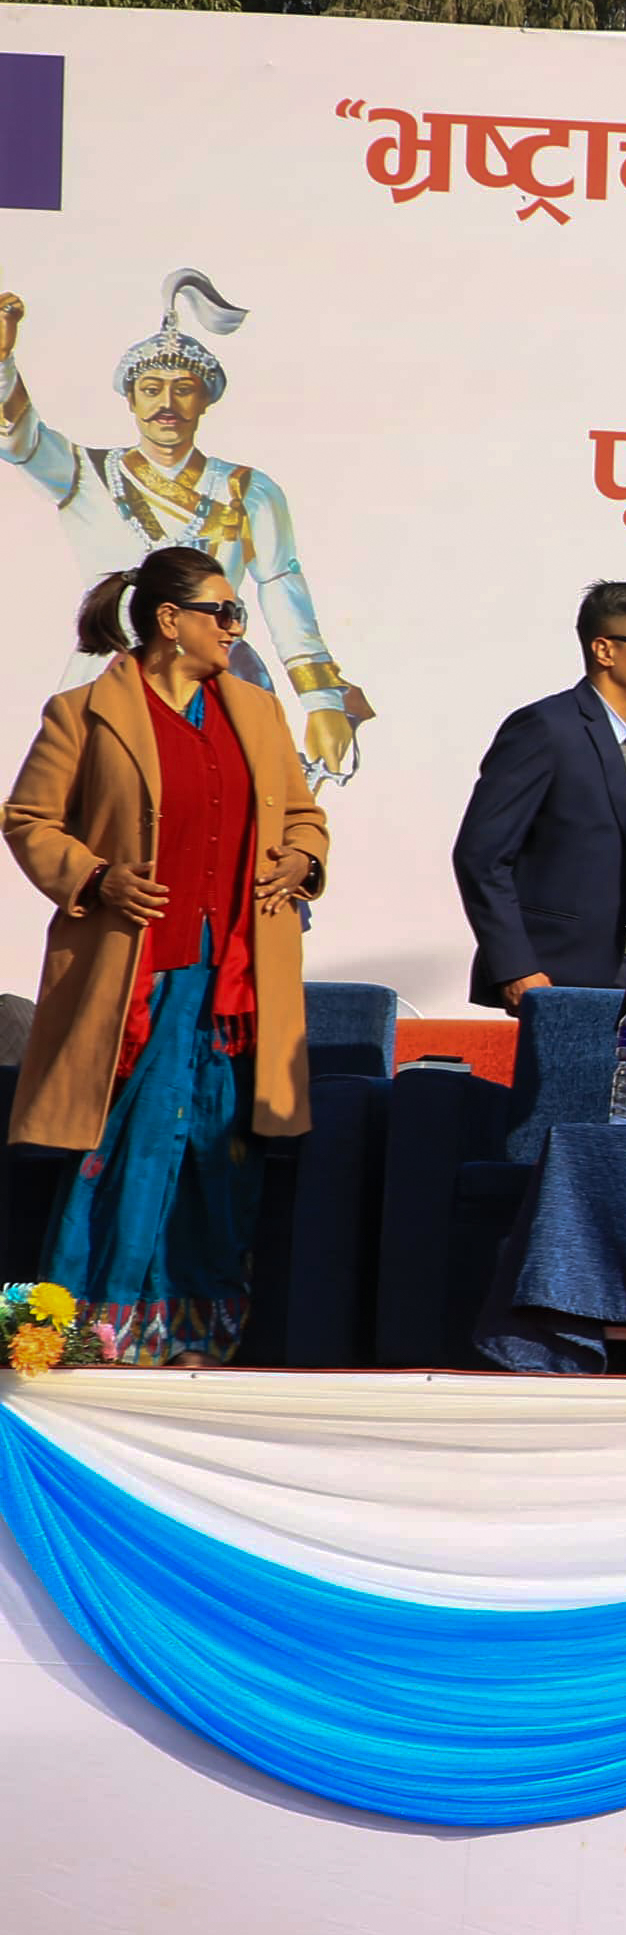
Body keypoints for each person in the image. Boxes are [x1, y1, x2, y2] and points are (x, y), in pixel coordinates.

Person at [4, 545, 327, 1362]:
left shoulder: (256, 711)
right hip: (138, 974)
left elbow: (303, 815)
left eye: (237, 613)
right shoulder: (85, 712)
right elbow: (29, 819)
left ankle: (198, 1340)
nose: (235, 627)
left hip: (236, 978)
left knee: (219, 1151)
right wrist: (97, 876)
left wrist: (301, 858)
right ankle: (88, 1334)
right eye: (223, 612)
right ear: (170, 620)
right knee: (128, 1146)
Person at [0, 270, 368, 781]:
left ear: (205, 399)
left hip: (220, 680)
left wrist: (321, 699)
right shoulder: (86, 473)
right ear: (131, 399)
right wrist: (3, 362)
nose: (166, 405)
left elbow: (282, 589)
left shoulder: (249, 489)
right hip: (112, 675)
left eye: (183, 389)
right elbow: (18, 440)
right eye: (151, 390)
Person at [451, 580, 626, 1012]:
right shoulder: (545, 728)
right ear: (605, 650)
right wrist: (515, 966)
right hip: (558, 972)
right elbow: (481, 856)